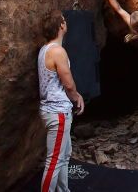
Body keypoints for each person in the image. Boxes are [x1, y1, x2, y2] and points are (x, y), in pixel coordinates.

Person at [38, 10, 85, 192]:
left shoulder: (45, 49)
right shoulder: (58, 51)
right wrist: (77, 96)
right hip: (57, 113)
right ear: (61, 26)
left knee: (64, 157)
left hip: (54, 111)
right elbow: (68, 83)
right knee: (54, 161)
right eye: (64, 21)